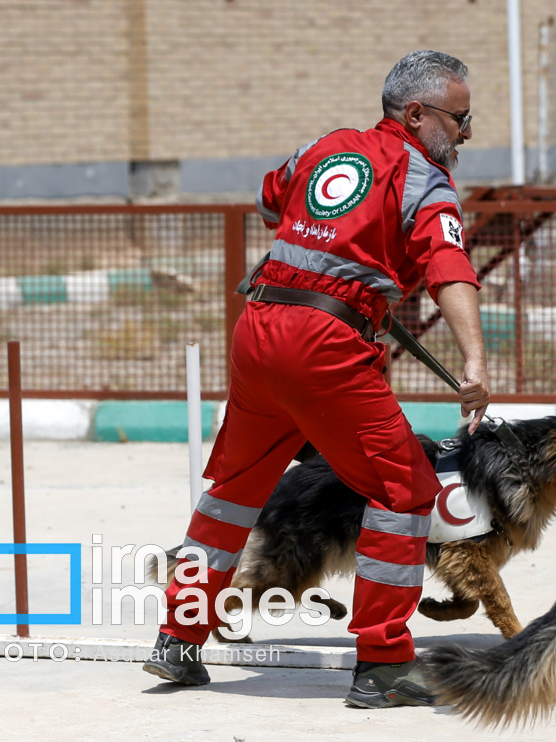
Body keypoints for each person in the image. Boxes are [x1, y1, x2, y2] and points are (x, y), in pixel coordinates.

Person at [142, 50, 490, 708]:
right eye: (460, 118)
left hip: (260, 329)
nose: (466, 133)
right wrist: (473, 358)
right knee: (404, 488)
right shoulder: (427, 180)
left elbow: (270, 199)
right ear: (416, 115)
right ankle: (384, 664)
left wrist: (333, 250)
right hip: (325, 346)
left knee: (231, 493)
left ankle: (176, 638)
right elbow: (448, 265)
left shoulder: (324, 147)